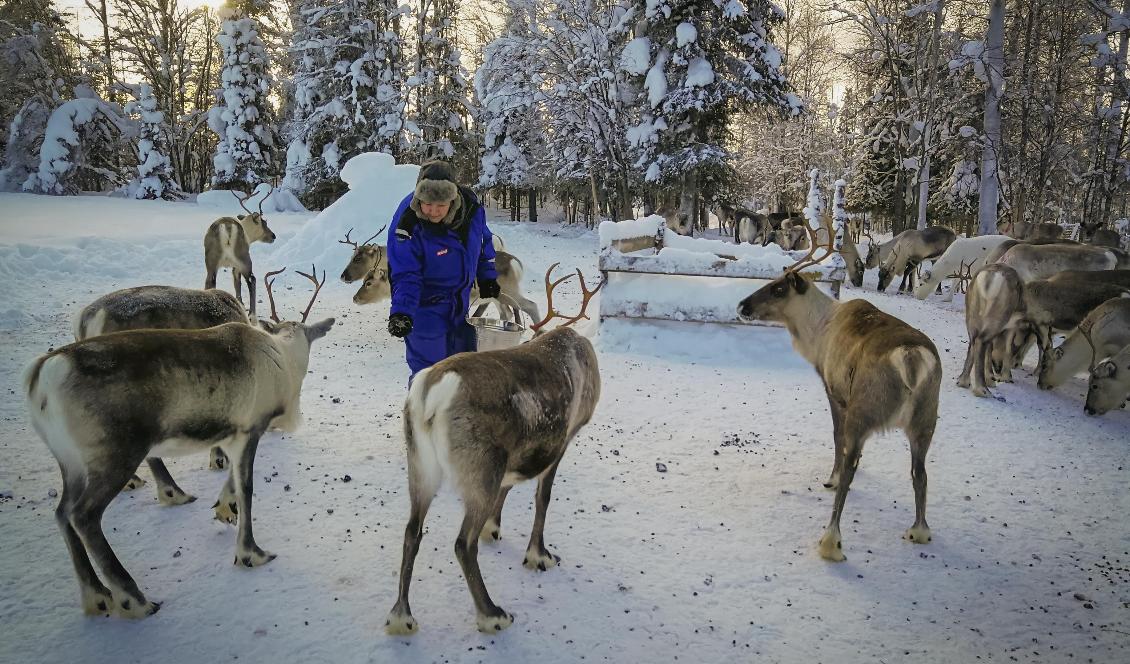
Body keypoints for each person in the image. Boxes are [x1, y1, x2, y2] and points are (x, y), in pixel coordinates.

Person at [385, 160, 500, 379]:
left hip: (459, 306)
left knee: (462, 373)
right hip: (424, 309)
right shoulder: (406, 226)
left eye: (441, 205)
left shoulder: (471, 210)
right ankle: (422, 414)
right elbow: (405, 273)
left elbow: (483, 241)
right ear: (419, 198)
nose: (433, 211)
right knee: (429, 376)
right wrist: (402, 311)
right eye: (427, 204)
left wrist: (487, 276)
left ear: (453, 199)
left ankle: (455, 414)